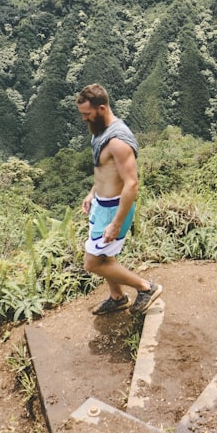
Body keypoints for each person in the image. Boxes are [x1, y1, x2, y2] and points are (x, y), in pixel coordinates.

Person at [76, 83, 163, 316]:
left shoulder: (118, 140)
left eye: (87, 114)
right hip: (101, 205)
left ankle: (146, 288)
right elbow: (105, 171)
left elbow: (131, 183)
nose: (84, 119)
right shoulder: (100, 132)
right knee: (106, 256)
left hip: (113, 209)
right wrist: (92, 193)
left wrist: (115, 222)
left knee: (92, 263)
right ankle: (117, 298)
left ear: (102, 108)